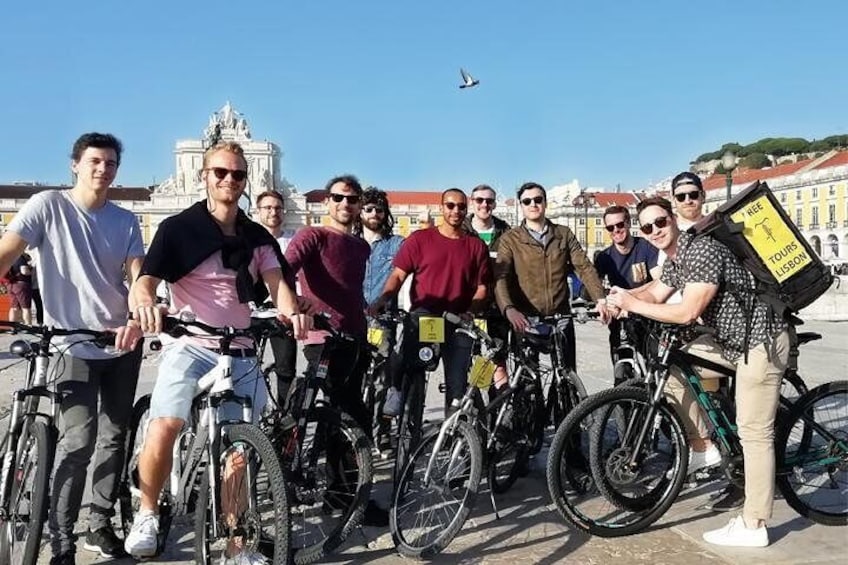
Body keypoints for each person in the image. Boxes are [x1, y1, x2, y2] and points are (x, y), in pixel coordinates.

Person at [125, 141, 310, 562]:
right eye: (220, 173)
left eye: (238, 175)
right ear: (204, 176)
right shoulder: (177, 228)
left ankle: (236, 544)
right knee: (166, 425)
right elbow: (146, 280)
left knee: (239, 453)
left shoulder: (257, 235)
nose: (229, 180)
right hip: (190, 343)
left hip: (239, 346)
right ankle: (147, 512)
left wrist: (293, 313)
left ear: (247, 181)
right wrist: (144, 304)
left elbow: (277, 283)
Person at [606, 196, 789, 548]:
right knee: (674, 362)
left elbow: (688, 312)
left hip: (760, 342)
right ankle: (703, 444)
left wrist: (632, 303)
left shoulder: (702, 250)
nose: (655, 230)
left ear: (673, 219)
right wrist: (618, 300)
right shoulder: (678, 259)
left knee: (755, 433)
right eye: (647, 227)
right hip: (732, 341)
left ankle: (754, 524)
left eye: (660, 222)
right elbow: (655, 294)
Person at [0, 132, 145, 565]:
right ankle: (62, 540)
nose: (104, 169)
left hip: (121, 340)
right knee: (79, 440)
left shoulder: (126, 220)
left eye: (111, 163)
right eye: (95, 161)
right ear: (75, 165)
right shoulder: (47, 205)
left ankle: (98, 523)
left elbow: (138, 276)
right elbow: (8, 251)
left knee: (115, 438)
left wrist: (140, 313)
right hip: (69, 342)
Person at [284, 174, 389, 526]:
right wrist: (296, 301)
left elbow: (351, 289)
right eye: (339, 197)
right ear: (327, 202)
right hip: (323, 339)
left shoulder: (361, 247)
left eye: (352, 199)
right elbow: (285, 270)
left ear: (360, 205)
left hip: (354, 337)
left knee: (347, 418)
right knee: (344, 416)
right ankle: (345, 496)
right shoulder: (311, 235)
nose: (346, 204)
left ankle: (340, 492)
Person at [369, 188, 492, 415]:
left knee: (457, 385)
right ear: (441, 208)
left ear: (467, 209)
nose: (456, 210)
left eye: (461, 206)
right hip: (427, 316)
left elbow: (482, 287)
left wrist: (471, 311)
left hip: (459, 321)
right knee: (408, 360)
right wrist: (384, 298)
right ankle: (396, 391)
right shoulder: (421, 239)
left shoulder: (475, 246)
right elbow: (398, 274)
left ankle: (454, 437)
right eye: (450, 205)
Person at [494, 182, 608, 372]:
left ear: (545, 203)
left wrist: (600, 298)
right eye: (527, 201)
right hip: (526, 318)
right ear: (521, 206)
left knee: (567, 377)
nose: (533, 204)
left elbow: (584, 267)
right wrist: (509, 309)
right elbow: (501, 276)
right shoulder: (510, 239)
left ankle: (567, 398)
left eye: (538, 200)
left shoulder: (563, 234)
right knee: (529, 383)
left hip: (559, 316)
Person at [353, 188, 404, 430]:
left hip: (383, 319)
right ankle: (355, 429)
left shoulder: (396, 244)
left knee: (383, 377)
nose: (374, 213)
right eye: (369, 209)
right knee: (356, 376)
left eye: (379, 210)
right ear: (360, 212)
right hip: (354, 318)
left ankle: (382, 429)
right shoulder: (350, 243)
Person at [594, 205, 658, 370]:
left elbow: (660, 280)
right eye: (610, 227)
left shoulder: (646, 247)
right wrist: (601, 301)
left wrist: (629, 298)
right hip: (619, 320)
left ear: (629, 223)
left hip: (647, 316)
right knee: (621, 369)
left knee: (653, 368)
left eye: (620, 225)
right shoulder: (604, 257)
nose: (616, 230)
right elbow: (595, 286)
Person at [255, 190, 299, 405]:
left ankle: (285, 417)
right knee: (245, 366)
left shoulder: (294, 240)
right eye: (268, 208)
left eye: (278, 208)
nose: (274, 212)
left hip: (283, 312)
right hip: (253, 311)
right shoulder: (248, 238)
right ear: (258, 211)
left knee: (285, 368)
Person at [6, 252, 33, 324]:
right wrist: (31, 270)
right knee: (26, 308)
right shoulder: (19, 257)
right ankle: (28, 327)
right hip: (21, 285)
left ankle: (12, 328)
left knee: (14, 308)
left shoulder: (9, 257)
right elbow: (24, 271)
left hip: (10, 285)